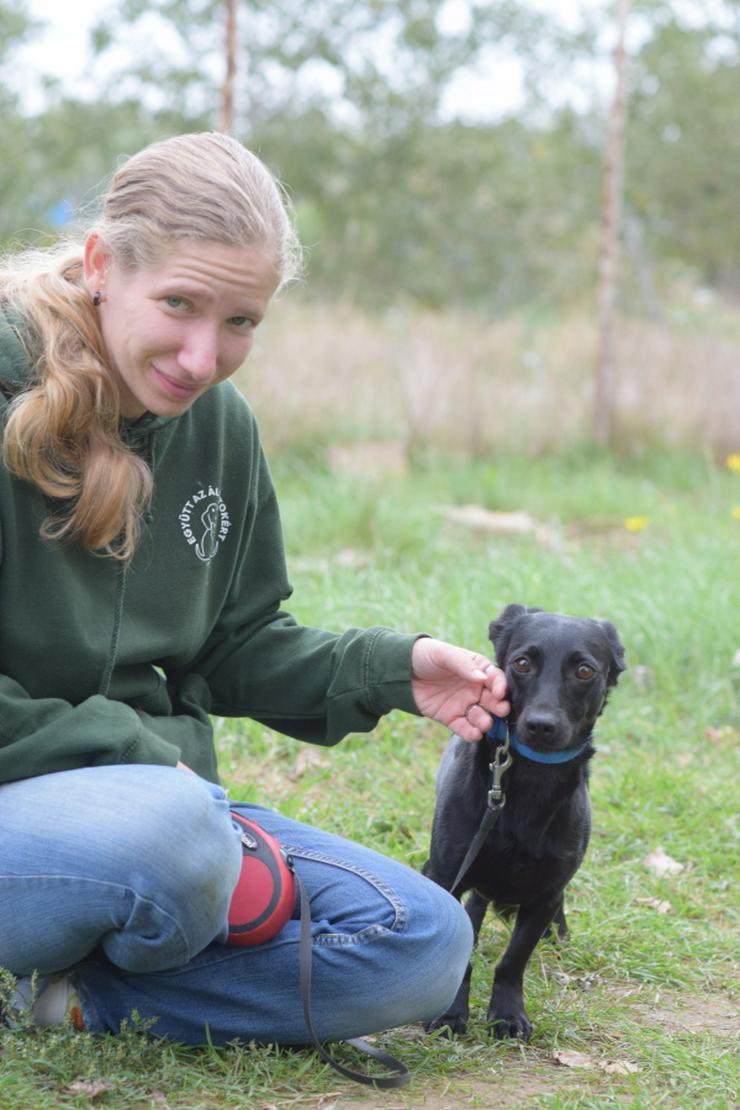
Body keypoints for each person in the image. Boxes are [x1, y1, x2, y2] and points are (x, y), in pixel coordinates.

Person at [0, 131, 509, 1048]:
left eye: (240, 322)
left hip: (169, 811)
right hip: (122, 810)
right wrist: (133, 757)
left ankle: (86, 999)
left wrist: (395, 670)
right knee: (168, 835)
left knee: (429, 942)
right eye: (180, 304)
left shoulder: (219, 428)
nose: (203, 357)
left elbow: (234, 646)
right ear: (103, 265)